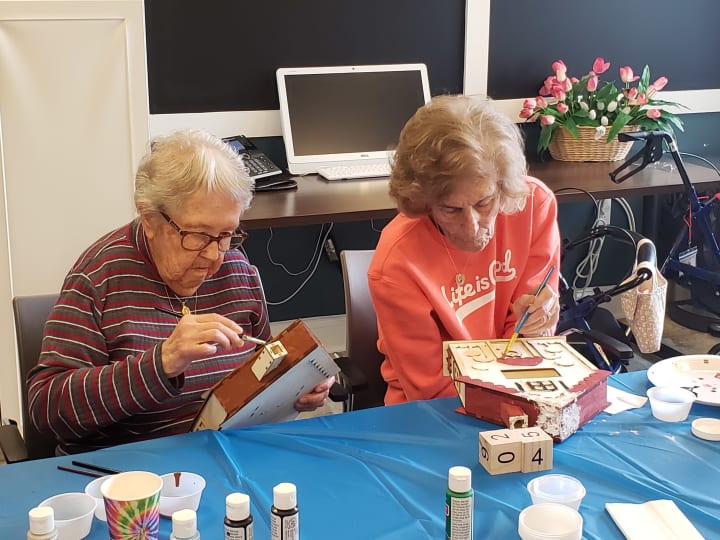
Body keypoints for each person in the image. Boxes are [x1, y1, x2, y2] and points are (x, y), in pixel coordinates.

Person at [27, 129, 334, 454]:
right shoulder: (99, 277)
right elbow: (47, 408)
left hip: (226, 453)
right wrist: (163, 362)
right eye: (198, 235)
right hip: (130, 472)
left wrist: (288, 388)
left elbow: (256, 369)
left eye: (227, 233)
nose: (215, 255)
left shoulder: (235, 265)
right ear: (149, 219)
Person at [368, 95, 561, 405]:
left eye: (484, 203)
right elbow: (429, 387)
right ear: (423, 201)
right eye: (451, 210)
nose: (472, 227)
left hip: (516, 386)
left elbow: (527, 337)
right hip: (437, 408)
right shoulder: (397, 260)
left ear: (503, 186)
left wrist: (538, 323)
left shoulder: (533, 205)